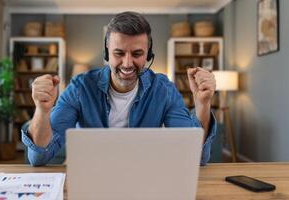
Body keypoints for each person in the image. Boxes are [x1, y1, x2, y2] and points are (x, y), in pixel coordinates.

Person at [22, 11, 217, 166]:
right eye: (119, 53)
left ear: (148, 54)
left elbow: (196, 157)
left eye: (137, 53)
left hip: (145, 180)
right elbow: (39, 158)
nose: (127, 63)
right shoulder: (80, 88)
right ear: (107, 52)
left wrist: (202, 103)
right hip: (92, 177)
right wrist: (42, 110)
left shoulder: (163, 89)